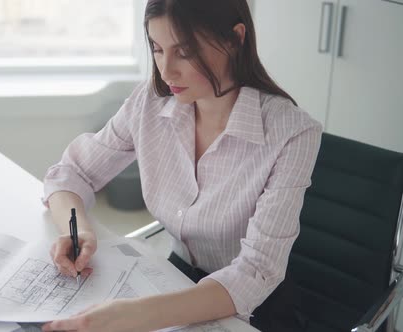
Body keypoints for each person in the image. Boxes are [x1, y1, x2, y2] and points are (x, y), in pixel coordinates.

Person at [40, 0, 322, 331]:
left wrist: (133, 315)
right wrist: (80, 232)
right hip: (172, 280)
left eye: (184, 52)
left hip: (253, 311)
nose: (166, 70)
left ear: (235, 38)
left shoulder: (292, 133)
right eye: (157, 49)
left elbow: (256, 272)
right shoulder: (151, 102)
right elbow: (70, 173)